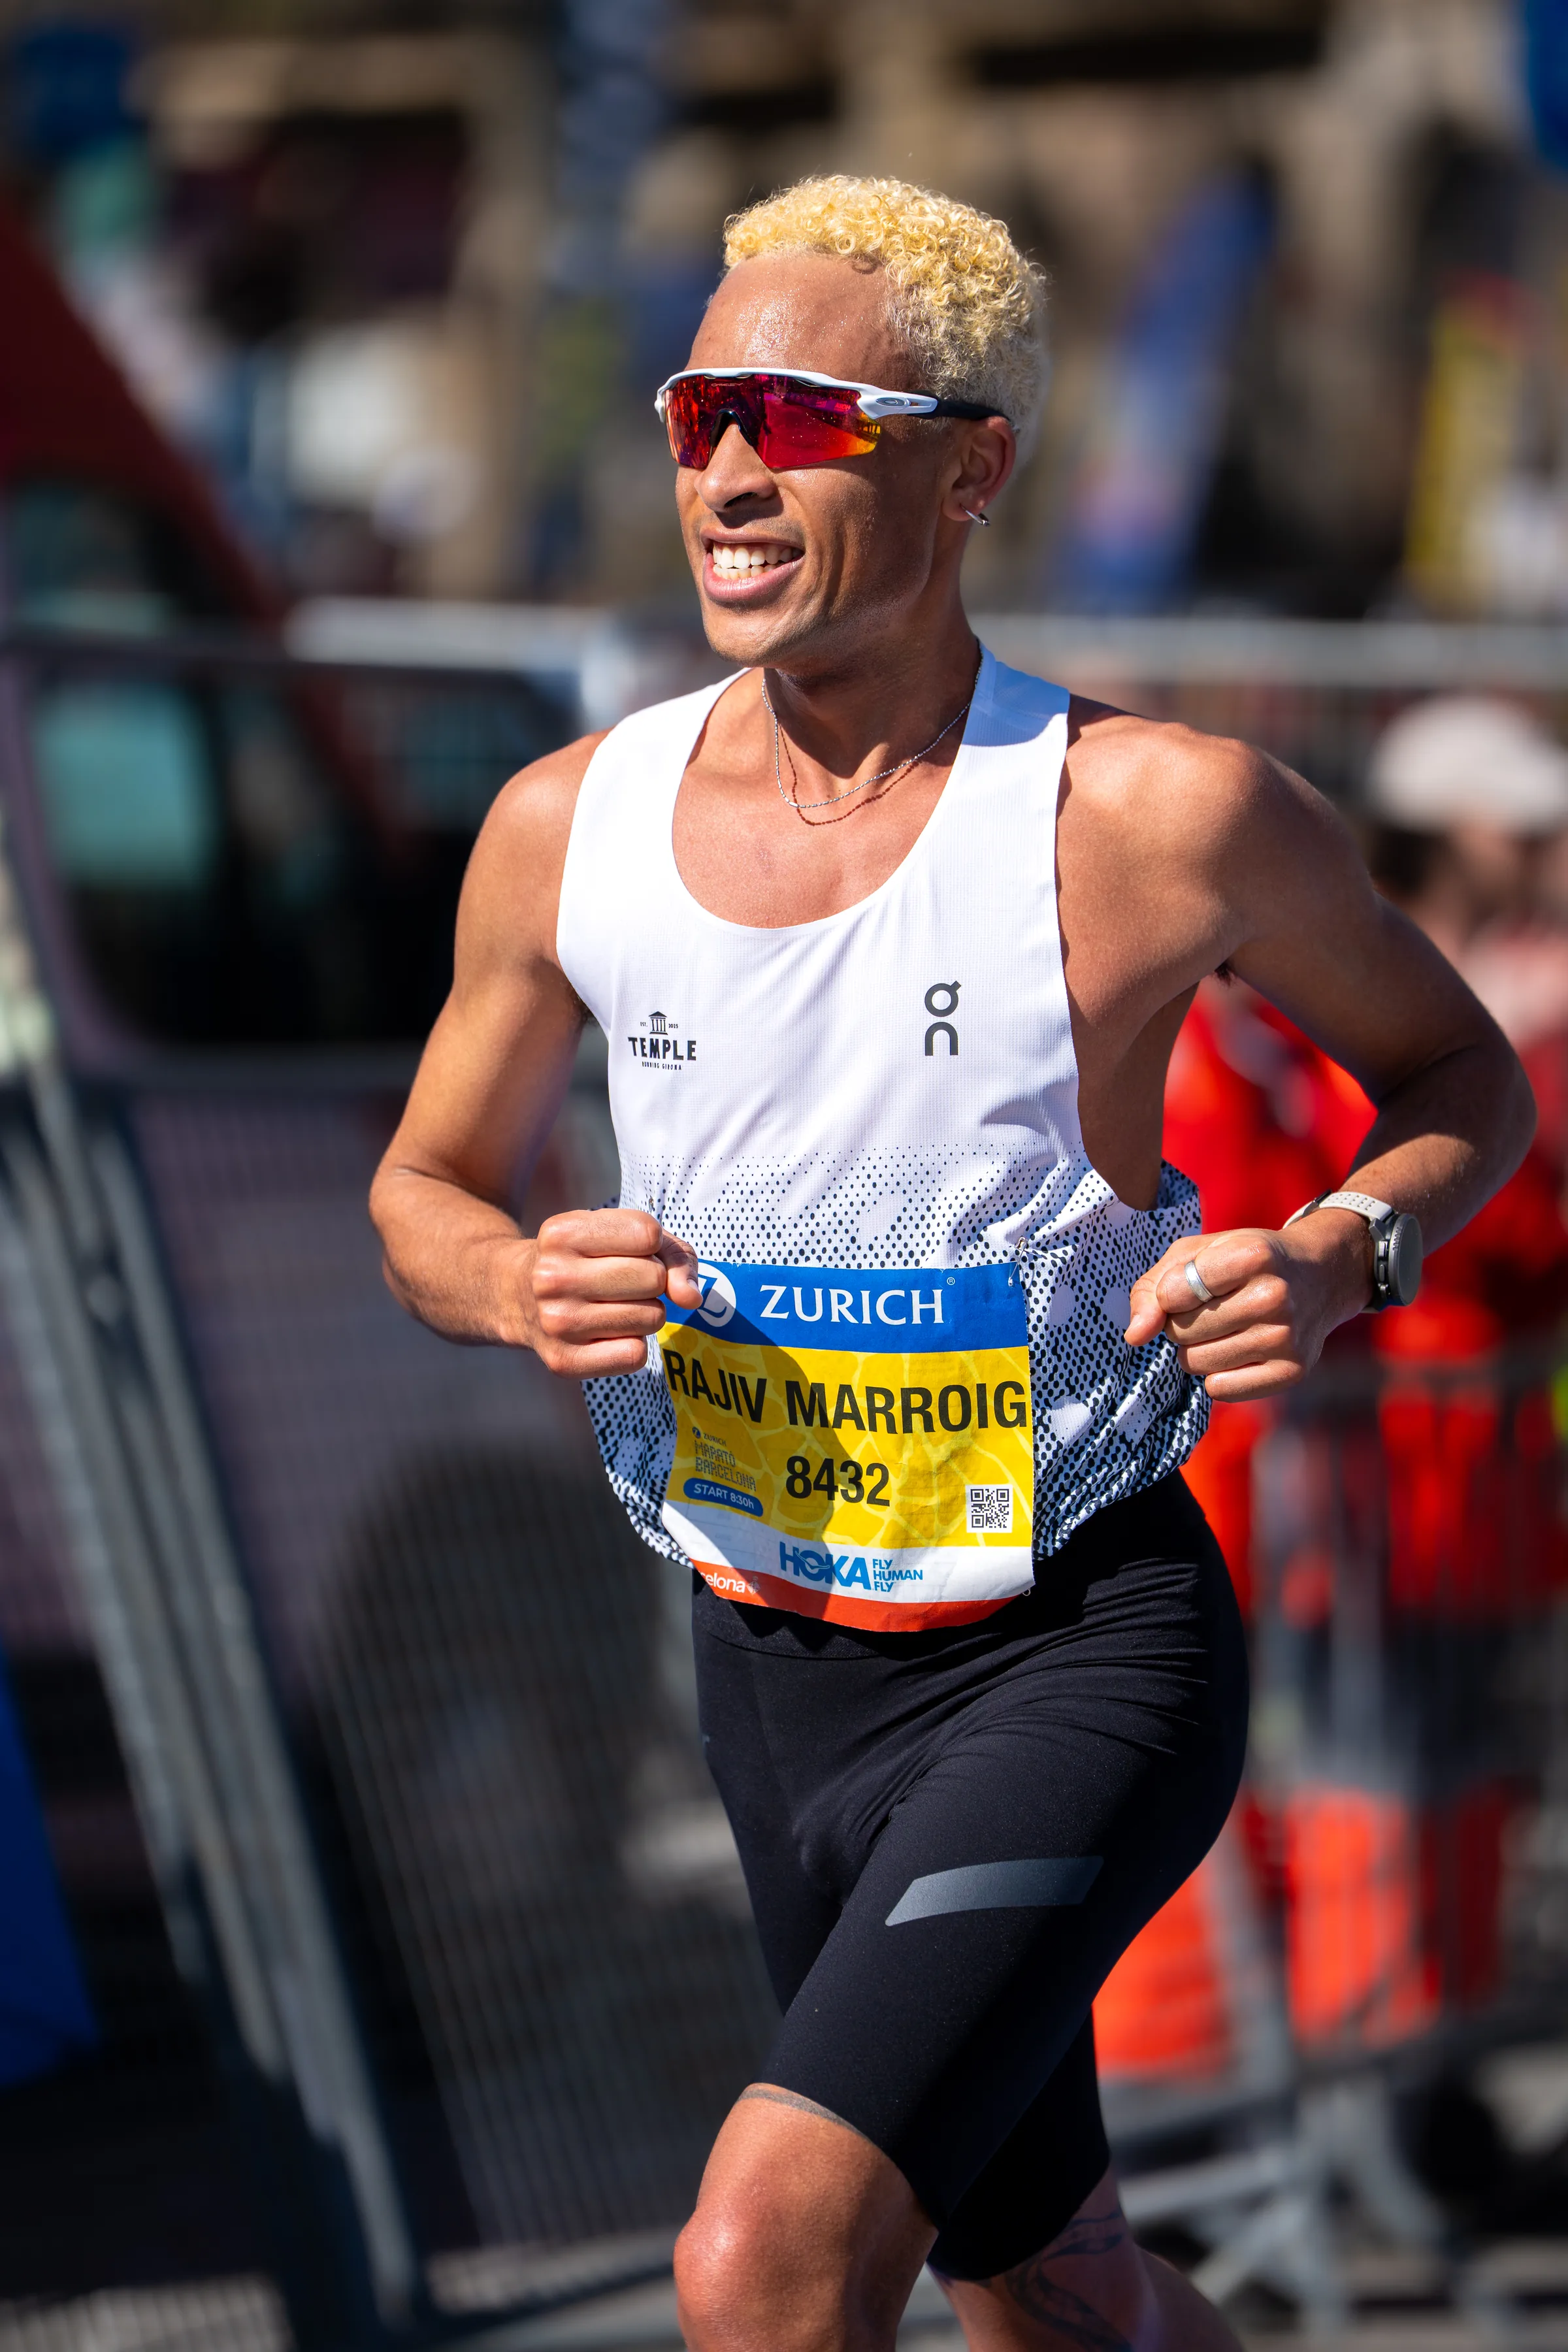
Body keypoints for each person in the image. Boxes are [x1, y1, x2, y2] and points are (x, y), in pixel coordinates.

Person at [369, 176, 1530, 2352]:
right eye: (697, 403)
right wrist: (512, 1281)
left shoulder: (1149, 817)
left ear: (968, 467)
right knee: (1058, 2299)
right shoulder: (564, 828)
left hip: (1072, 1649)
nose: (725, 465)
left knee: (767, 2261)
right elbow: (425, 1185)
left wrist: (1351, 1247)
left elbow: (1467, 1073)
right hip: (767, 1673)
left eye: (796, 414)